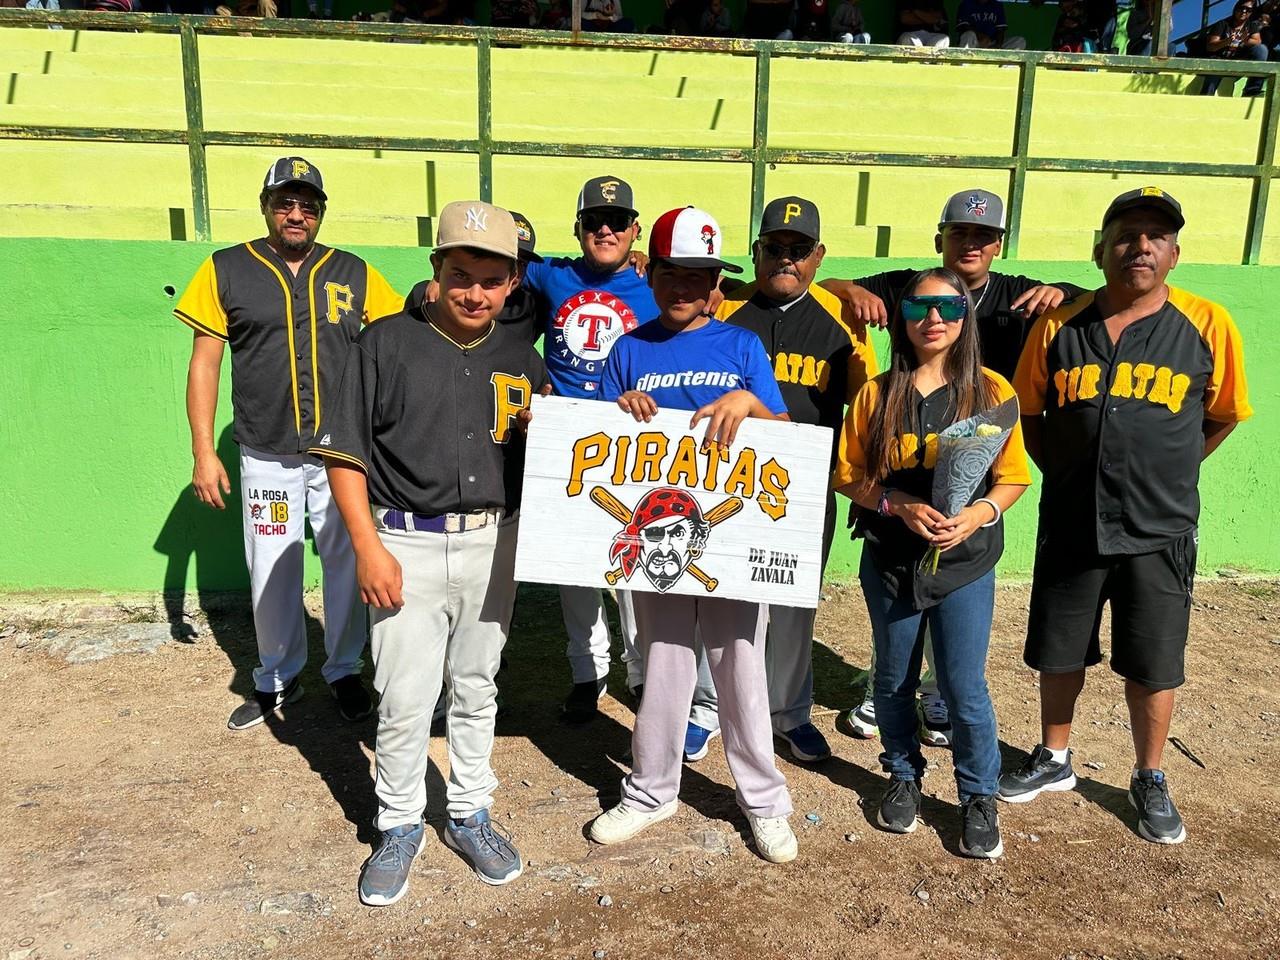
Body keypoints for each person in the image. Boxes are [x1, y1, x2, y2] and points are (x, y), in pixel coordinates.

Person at [1000, 187, 1252, 845]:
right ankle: (1054, 758)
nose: (1140, 246)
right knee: (1059, 649)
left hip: (1159, 526)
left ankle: (1149, 775)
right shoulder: (1060, 325)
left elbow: (1221, 414)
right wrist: (1068, 469)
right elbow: (1028, 411)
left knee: (1153, 660)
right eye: (1126, 233)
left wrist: (1170, 467)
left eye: (1155, 236)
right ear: (1100, 247)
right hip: (1074, 519)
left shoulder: (1208, 323)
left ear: (1173, 253)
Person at [314, 201, 549, 905]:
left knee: (478, 688)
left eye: (490, 278)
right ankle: (399, 821)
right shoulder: (383, 343)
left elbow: (562, 455)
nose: (473, 292)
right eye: (459, 274)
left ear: (511, 283)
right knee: (405, 695)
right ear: (436, 271)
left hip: (492, 539)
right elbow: (346, 455)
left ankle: (470, 809)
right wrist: (367, 547)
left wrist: (553, 426)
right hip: (403, 541)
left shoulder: (521, 357)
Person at [821, 188, 1082, 744]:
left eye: (983, 236)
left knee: (955, 582)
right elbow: (823, 287)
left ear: (998, 245)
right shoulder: (907, 286)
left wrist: (1063, 291)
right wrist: (849, 290)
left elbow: (1098, 299)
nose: (971, 243)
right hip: (908, 453)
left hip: (976, 468)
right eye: (960, 233)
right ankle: (886, 684)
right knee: (895, 590)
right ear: (941, 238)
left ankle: (938, 693)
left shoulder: (1016, 295)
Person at [588, 205, 799, 864]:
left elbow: (783, 436)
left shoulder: (741, 345)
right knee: (665, 662)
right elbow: (598, 450)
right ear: (650, 271)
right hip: (657, 544)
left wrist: (753, 405)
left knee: (741, 668)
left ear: (715, 282)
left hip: (727, 545)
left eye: (700, 276)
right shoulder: (627, 350)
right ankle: (652, 790)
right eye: (673, 273)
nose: (686, 287)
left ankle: (764, 800)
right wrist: (619, 411)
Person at [174, 157, 403, 731]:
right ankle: (277, 677)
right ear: (265, 206)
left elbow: (398, 344)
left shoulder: (354, 271)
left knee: (347, 560)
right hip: (266, 451)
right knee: (272, 564)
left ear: (321, 212)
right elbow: (205, 363)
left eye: (308, 204)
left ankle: (344, 669)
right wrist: (204, 450)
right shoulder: (226, 268)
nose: (296, 214)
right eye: (285, 202)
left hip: (341, 455)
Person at [834, 268, 1031, 859]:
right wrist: (896, 503)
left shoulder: (991, 391)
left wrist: (980, 515)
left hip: (963, 562)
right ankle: (902, 774)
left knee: (962, 684)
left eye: (948, 307)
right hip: (891, 559)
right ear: (904, 317)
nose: (934, 318)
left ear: (966, 316)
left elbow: (1014, 476)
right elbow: (849, 474)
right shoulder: (877, 391)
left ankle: (977, 794)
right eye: (920, 307)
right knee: (892, 679)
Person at [684, 196, 878, 765]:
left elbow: (858, 415)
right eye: (774, 248)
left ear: (818, 256)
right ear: (756, 252)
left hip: (803, 488)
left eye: (798, 250)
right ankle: (703, 707)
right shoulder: (726, 316)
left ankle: (788, 713)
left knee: (794, 605)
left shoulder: (844, 328)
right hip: (725, 481)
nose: (785, 259)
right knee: (713, 594)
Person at [520, 176, 658, 723]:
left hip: (633, 438)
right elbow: (498, 247)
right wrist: (428, 288)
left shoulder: (658, 283)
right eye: (595, 221)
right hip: (566, 438)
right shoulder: (552, 273)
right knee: (574, 570)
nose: (607, 229)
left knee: (637, 565)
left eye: (618, 221)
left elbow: (720, 291)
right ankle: (588, 672)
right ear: (578, 228)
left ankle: (643, 673)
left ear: (634, 229)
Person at [1200, 1, 1267, 97]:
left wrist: (1245, 40)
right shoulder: (1222, 24)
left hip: (1239, 63)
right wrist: (1226, 41)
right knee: (1212, 78)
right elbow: (1210, 46)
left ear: (1251, 12)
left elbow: (1258, 42)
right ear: (1235, 9)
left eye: (1248, 10)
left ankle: (1252, 90)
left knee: (1261, 49)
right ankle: (1204, 100)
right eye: (1241, 8)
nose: (1244, 11)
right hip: (1220, 62)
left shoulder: (1251, 26)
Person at [956, 0, 1027, 48]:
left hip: (991, 43)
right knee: (969, 34)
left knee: (1020, 41)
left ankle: (1005, 65)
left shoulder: (997, 5)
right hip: (974, 42)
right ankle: (964, 62)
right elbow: (964, 26)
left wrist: (998, 45)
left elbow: (1001, 29)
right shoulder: (966, 4)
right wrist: (981, 36)